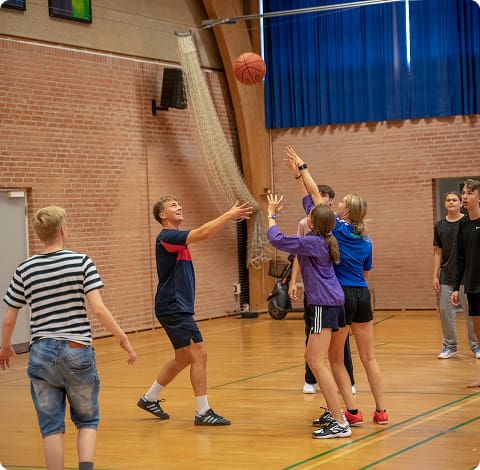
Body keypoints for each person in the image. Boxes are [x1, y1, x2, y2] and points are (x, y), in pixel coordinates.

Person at [0, 206, 136, 470]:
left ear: (39, 234)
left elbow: (9, 318)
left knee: (50, 427)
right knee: (87, 421)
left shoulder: (25, 268)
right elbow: (98, 309)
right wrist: (122, 338)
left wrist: (5, 347)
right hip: (77, 348)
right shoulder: (81, 262)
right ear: (63, 230)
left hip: (40, 351)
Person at [285, 145, 388, 425]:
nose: (337, 204)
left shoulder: (337, 229)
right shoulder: (366, 240)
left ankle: (352, 412)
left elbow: (314, 195)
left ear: (347, 210)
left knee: (336, 359)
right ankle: (381, 411)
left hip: (340, 296)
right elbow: (365, 274)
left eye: (341, 202)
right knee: (369, 358)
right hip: (362, 295)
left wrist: (302, 168)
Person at [137, 196, 253, 425]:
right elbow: (203, 233)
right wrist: (228, 215)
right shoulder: (166, 236)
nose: (179, 206)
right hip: (174, 306)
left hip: (174, 306)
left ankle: (149, 398)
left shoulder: (176, 239)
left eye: (179, 203)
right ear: (162, 215)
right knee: (199, 353)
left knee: (183, 358)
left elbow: (201, 234)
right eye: (173, 205)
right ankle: (203, 412)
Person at [266, 193, 352, 439]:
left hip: (323, 304)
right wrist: (300, 176)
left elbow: (276, 238)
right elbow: (310, 203)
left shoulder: (312, 242)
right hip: (334, 301)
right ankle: (337, 414)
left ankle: (340, 422)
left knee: (316, 361)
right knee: (318, 360)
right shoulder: (324, 236)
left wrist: (271, 213)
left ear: (311, 223)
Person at [287, 185, 356, 395]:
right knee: (312, 338)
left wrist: (301, 172)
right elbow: (299, 254)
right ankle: (311, 380)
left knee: (336, 347)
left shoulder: (335, 226)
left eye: (325, 197)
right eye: (320, 196)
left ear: (331, 202)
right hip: (318, 292)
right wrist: (293, 281)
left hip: (328, 294)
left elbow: (279, 239)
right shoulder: (306, 224)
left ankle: (345, 386)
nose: (321, 199)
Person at [433, 191, 479, 359]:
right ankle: (450, 346)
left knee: (471, 313)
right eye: (448, 200)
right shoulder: (439, 226)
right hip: (447, 275)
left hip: (467, 276)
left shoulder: (468, 222)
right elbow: (438, 252)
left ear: (461, 203)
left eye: (454, 200)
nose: (451, 202)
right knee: (445, 311)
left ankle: (476, 346)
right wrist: (435, 275)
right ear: (445, 203)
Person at [451, 178, 480, 387]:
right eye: (464, 192)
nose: (465, 196)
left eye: (470, 192)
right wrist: (455, 287)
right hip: (472, 285)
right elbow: (460, 258)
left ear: (479, 197)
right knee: (478, 330)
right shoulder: (463, 225)